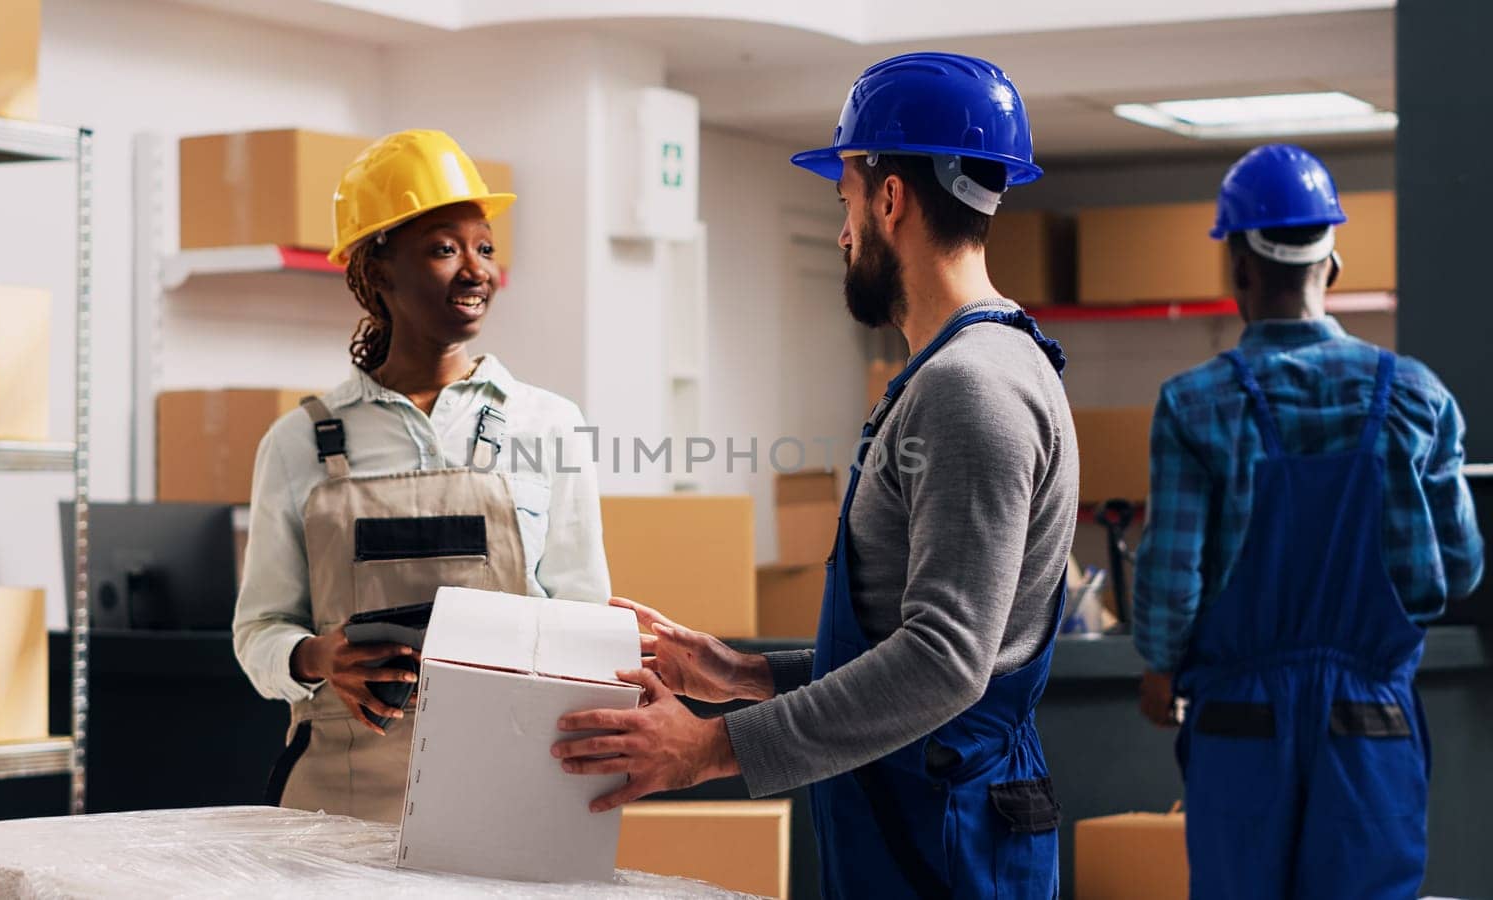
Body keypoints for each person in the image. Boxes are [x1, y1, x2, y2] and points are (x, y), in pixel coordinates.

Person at [552, 53, 1078, 898]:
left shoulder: (970, 387)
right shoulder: (965, 370)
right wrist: (738, 673)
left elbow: (945, 660)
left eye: (844, 200)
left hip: (946, 835)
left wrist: (708, 750)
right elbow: (901, 637)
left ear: (890, 197)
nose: (842, 233)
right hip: (920, 812)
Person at [1131, 144, 1484, 899]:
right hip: (1370, 724)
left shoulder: (1194, 403)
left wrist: (1160, 667)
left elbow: (1171, 579)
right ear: (1334, 265)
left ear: (1239, 268)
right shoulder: (1419, 397)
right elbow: (1459, 570)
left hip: (1237, 724)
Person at [233, 129, 610, 823]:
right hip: (336, 806)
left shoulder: (548, 426)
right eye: (444, 248)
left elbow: (584, 619)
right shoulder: (298, 444)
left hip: (511, 792)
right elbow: (258, 630)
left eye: (485, 248)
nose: (476, 270)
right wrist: (318, 656)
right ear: (378, 271)